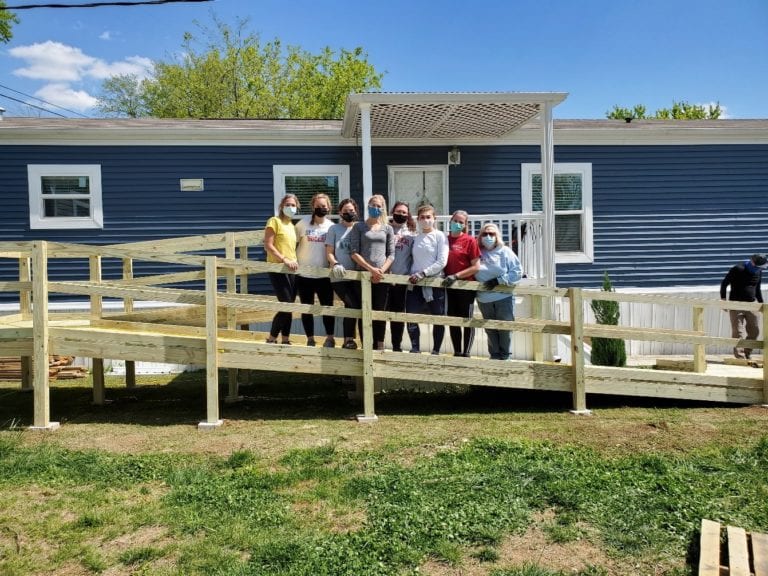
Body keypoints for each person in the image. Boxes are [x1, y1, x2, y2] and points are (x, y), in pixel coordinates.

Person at [350, 194, 395, 351]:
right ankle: (367, 345)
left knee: (379, 312)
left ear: (382, 209)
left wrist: (380, 271)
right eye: (373, 205)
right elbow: (354, 252)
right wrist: (370, 269)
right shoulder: (359, 227)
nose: (375, 208)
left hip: (381, 278)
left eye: (378, 206)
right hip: (363, 276)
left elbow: (391, 254)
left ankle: (379, 345)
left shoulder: (387, 228)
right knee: (365, 312)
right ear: (368, 205)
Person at [475, 222, 522, 360]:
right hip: (483, 298)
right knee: (490, 329)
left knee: (504, 329)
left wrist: (498, 281)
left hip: (503, 297)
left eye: (492, 234)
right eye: (485, 234)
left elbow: (517, 272)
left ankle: (506, 357)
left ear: (497, 236)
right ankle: (494, 357)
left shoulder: (505, 251)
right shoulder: (477, 251)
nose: (488, 236)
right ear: (480, 236)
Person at [406, 204, 449, 354]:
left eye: (428, 217)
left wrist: (424, 273)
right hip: (415, 284)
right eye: (422, 217)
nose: (425, 220)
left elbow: (442, 261)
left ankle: (436, 351)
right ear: (418, 219)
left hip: (434, 282)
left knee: (438, 318)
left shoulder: (440, 236)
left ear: (434, 218)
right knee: (411, 316)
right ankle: (415, 348)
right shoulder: (415, 238)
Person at [295, 193, 336, 347]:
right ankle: (310, 338)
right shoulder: (302, 224)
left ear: (329, 207)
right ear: (313, 207)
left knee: (327, 307)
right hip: (304, 274)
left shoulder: (331, 226)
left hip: (324, 274)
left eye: (324, 206)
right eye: (318, 206)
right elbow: (293, 244)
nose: (321, 209)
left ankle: (330, 337)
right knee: (307, 308)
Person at [442, 210, 481, 357]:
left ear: (465, 225)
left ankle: (467, 353)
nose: (457, 224)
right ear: (450, 221)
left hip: (466, 287)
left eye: (461, 222)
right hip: (449, 286)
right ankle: (457, 352)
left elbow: (476, 266)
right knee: (454, 320)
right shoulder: (445, 240)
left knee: (467, 320)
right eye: (455, 221)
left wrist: (456, 276)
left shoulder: (470, 240)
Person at [263, 194, 300, 344]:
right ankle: (271, 338)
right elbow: (268, 245)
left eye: (293, 205)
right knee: (286, 304)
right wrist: (284, 259)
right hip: (278, 268)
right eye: (287, 204)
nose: (290, 207)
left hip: (292, 270)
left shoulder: (292, 226)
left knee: (290, 304)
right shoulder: (274, 221)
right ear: (281, 206)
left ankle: (285, 339)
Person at [326, 198, 361, 349]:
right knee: (351, 304)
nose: (348, 213)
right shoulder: (334, 229)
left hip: (358, 276)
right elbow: (329, 252)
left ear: (356, 211)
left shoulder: (360, 228)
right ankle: (348, 340)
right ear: (340, 212)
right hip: (339, 276)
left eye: (351, 211)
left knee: (358, 306)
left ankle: (358, 340)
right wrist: (335, 263)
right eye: (345, 211)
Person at [720, 253, 767, 359]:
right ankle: (740, 356)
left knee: (754, 331)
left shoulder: (759, 271)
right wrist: (723, 300)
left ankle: (747, 352)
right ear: (754, 264)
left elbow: (757, 288)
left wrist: (761, 303)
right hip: (736, 304)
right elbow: (724, 283)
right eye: (760, 267)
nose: (761, 269)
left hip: (752, 304)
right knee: (738, 331)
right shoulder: (738, 269)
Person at [387, 201, 416, 352]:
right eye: (399, 211)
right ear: (393, 212)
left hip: (401, 281)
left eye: (404, 212)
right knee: (380, 314)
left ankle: (396, 346)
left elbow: (414, 257)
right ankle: (376, 344)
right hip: (385, 280)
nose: (401, 214)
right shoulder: (385, 229)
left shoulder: (411, 234)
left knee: (398, 316)